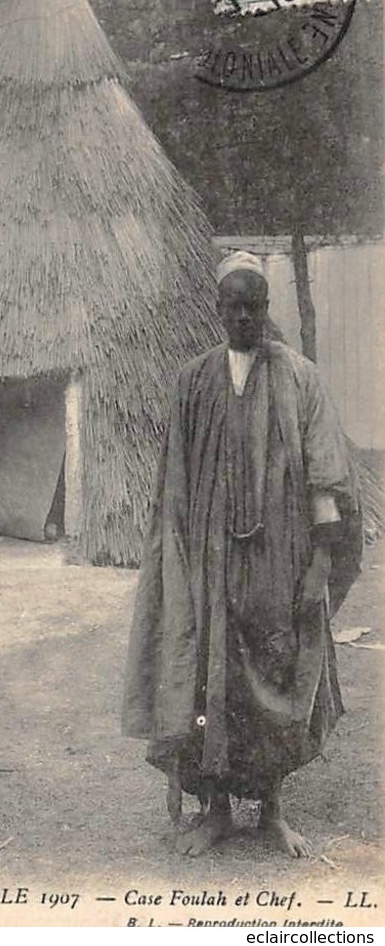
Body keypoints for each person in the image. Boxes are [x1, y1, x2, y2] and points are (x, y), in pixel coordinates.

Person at [122, 251, 362, 859]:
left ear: (266, 309)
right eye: (235, 308)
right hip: (208, 561)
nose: (245, 319)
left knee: (278, 678)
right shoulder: (191, 381)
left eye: (255, 308)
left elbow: (327, 483)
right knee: (212, 678)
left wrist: (318, 567)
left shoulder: (300, 378)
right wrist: (177, 564)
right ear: (219, 310)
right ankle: (218, 812)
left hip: (280, 563)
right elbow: (172, 485)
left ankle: (273, 813)